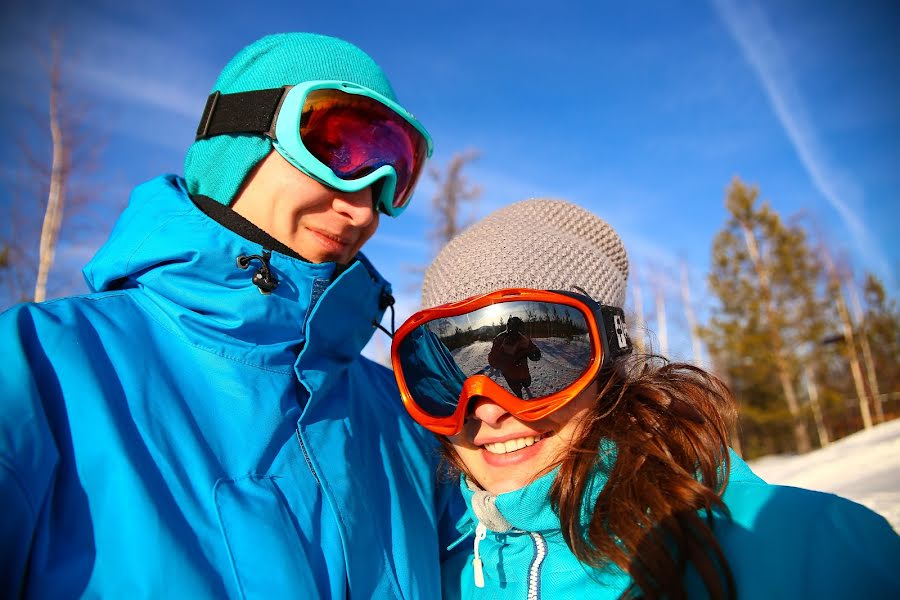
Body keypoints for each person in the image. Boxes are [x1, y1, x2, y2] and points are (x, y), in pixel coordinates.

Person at [0, 33, 461, 597]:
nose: (363, 205)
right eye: (339, 148)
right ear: (239, 137)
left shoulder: (404, 416)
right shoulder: (40, 369)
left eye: (395, 169)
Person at [391, 199, 900, 599]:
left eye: (558, 356)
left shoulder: (811, 551)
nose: (488, 409)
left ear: (609, 366)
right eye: (449, 373)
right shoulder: (438, 573)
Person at [487, 315, 541, 397]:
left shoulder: (523, 338)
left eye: (520, 330)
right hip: (510, 376)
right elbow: (492, 360)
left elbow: (533, 348)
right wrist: (507, 359)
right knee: (518, 392)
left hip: (524, 371)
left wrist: (534, 353)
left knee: (527, 383)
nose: (517, 334)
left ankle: (526, 387)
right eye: (516, 330)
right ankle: (520, 399)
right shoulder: (500, 339)